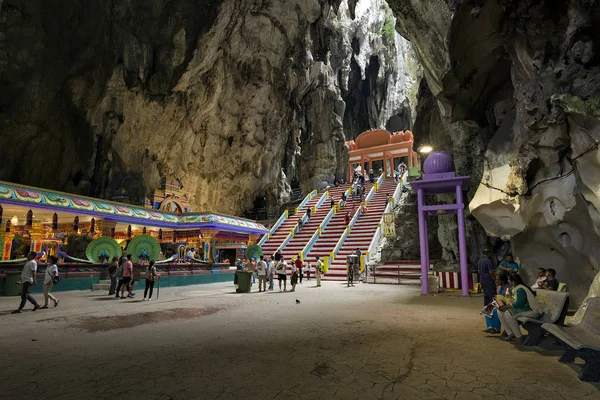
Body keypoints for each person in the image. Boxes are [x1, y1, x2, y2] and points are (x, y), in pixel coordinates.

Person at [497, 274, 542, 344]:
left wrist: (506, 307)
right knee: (500, 312)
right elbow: (511, 300)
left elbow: (519, 304)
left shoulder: (521, 289)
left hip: (531, 311)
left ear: (514, 281)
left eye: (509, 280)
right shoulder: (514, 288)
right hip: (522, 309)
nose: (508, 281)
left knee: (508, 313)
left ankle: (519, 336)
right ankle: (510, 333)